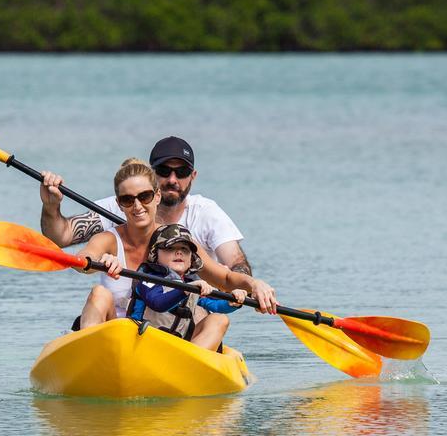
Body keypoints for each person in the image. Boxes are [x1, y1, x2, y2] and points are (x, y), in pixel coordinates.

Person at [74, 158, 277, 329]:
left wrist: (254, 284)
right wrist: (100, 261)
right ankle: (90, 361)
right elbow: (83, 260)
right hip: (117, 333)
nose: (137, 206)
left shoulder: (179, 240)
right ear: (119, 204)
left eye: (145, 197)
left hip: (161, 337)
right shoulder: (108, 239)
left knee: (217, 320)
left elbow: (224, 278)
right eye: (128, 200)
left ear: (157, 196)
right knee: (99, 293)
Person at [39, 136, 257, 277]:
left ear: (193, 176)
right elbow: (61, 237)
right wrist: (51, 206)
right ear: (151, 174)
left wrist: (244, 286)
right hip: (128, 318)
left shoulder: (206, 213)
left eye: (181, 173)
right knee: (100, 296)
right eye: (164, 171)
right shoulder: (121, 205)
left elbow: (235, 265)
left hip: (188, 315)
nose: (172, 179)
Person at [127, 224, 248, 351]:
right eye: (170, 248)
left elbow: (216, 306)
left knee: (219, 319)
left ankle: (192, 360)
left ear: (191, 259)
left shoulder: (193, 283)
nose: (179, 252)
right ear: (155, 254)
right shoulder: (148, 278)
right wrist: (186, 289)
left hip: (177, 349)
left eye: (185, 249)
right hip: (142, 345)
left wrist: (233, 301)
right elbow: (157, 303)